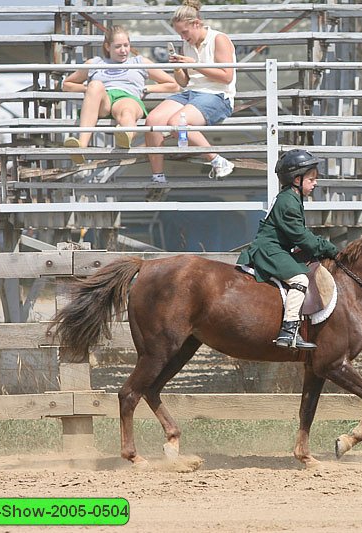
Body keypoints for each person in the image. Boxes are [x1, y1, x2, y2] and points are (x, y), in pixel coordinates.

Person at [237, 149, 339, 350]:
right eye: (311, 179)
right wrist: (329, 248)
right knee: (300, 279)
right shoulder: (288, 202)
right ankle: (289, 331)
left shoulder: (291, 197)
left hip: (278, 247)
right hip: (270, 250)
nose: (315, 183)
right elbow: (301, 236)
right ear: (296, 179)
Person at [145, 0, 237, 186]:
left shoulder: (219, 39)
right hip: (192, 93)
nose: (182, 38)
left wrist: (193, 64)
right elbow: (184, 82)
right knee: (152, 121)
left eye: (184, 32)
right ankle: (158, 177)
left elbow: (226, 76)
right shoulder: (188, 43)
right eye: (179, 34)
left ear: (196, 23)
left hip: (218, 95)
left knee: (177, 122)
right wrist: (179, 69)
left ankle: (218, 160)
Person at [61, 25, 179, 165]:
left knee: (127, 110)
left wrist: (147, 88)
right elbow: (67, 84)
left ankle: (125, 137)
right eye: (118, 46)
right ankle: (82, 146)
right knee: (95, 85)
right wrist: (86, 88)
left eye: (126, 45)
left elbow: (173, 85)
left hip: (128, 97)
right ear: (107, 47)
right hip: (104, 100)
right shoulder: (95, 63)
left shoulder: (139, 62)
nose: (123, 50)